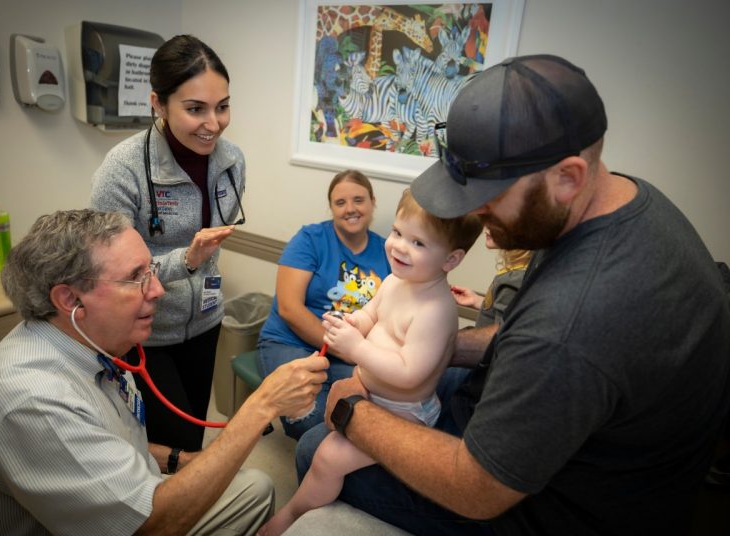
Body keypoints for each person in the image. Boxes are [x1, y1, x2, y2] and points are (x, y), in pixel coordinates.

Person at [294, 54, 730, 535]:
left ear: (567, 178)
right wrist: (440, 346)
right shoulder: (617, 201)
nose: (476, 216)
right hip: (552, 422)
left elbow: (478, 488)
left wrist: (352, 414)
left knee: (316, 447)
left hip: (551, 506)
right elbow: (523, 338)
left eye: (488, 197)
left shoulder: (573, 321)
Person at [0, 209, 328, 535]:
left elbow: (101, 438)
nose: (157, 290)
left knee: (254, 486)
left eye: (151, 271)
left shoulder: (88, 345)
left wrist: (178, 460)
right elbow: (148, 528)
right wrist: (262, 405)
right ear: (70, 299)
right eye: (136, 277)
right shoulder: (33, 401)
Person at [260, 189, 482, 535]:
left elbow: (410, 374)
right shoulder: (395, 281)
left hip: (405, 413)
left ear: (450, 260)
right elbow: (369, 314)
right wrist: (351, 325)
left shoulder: (436, 310)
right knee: (323, 441)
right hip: (372, 393)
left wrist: (356, 349)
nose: (398, 246)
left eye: (418, 243)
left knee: (328, 459)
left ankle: (290, 517)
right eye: (396, 232)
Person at [91, 35, 243, 452]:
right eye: (196, 109)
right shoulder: (123, 170)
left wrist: (200, 268)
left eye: (222, 106)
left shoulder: (232, 162)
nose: (213, 123)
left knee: (193, 436)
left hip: (206, 322)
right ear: (158, 103)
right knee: (166, 447)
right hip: (145, 332)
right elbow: (112, 273)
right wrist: (186, 260)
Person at [257, 169, 391, 439]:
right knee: (313, 420)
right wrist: (346, 350)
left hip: (349, 350)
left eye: (358, 200)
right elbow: (289, 309)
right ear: (331, 207)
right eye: (340, 203)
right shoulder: (310, 240)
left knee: (373, 408)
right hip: (290, 343)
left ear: (372, 202)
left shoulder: (387, 251)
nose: (350, 209)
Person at [451, 227, 531, 328]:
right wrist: (478, 301)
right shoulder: (519, 272)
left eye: (497, 222)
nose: (487, 227)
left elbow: (497, 337)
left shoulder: (513, 280)